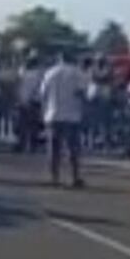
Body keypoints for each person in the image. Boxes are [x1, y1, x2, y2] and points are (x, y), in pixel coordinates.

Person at [41, 49, 89, 187]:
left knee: (53, 148)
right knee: (73, 148)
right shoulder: (77, 73)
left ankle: (54, 178)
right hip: (72, 115)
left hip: (53, 114)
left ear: (59, 58)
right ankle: (74, 177)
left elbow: (43, 94)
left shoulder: (49, 73)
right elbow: (82, 93)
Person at [16, 55, 44, 153]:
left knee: (25, 124)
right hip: (32, 100)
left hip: (26, 100)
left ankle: (24, 145)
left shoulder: (24, 73)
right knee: (31, 125)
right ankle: (31, 146)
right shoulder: (37, 74)